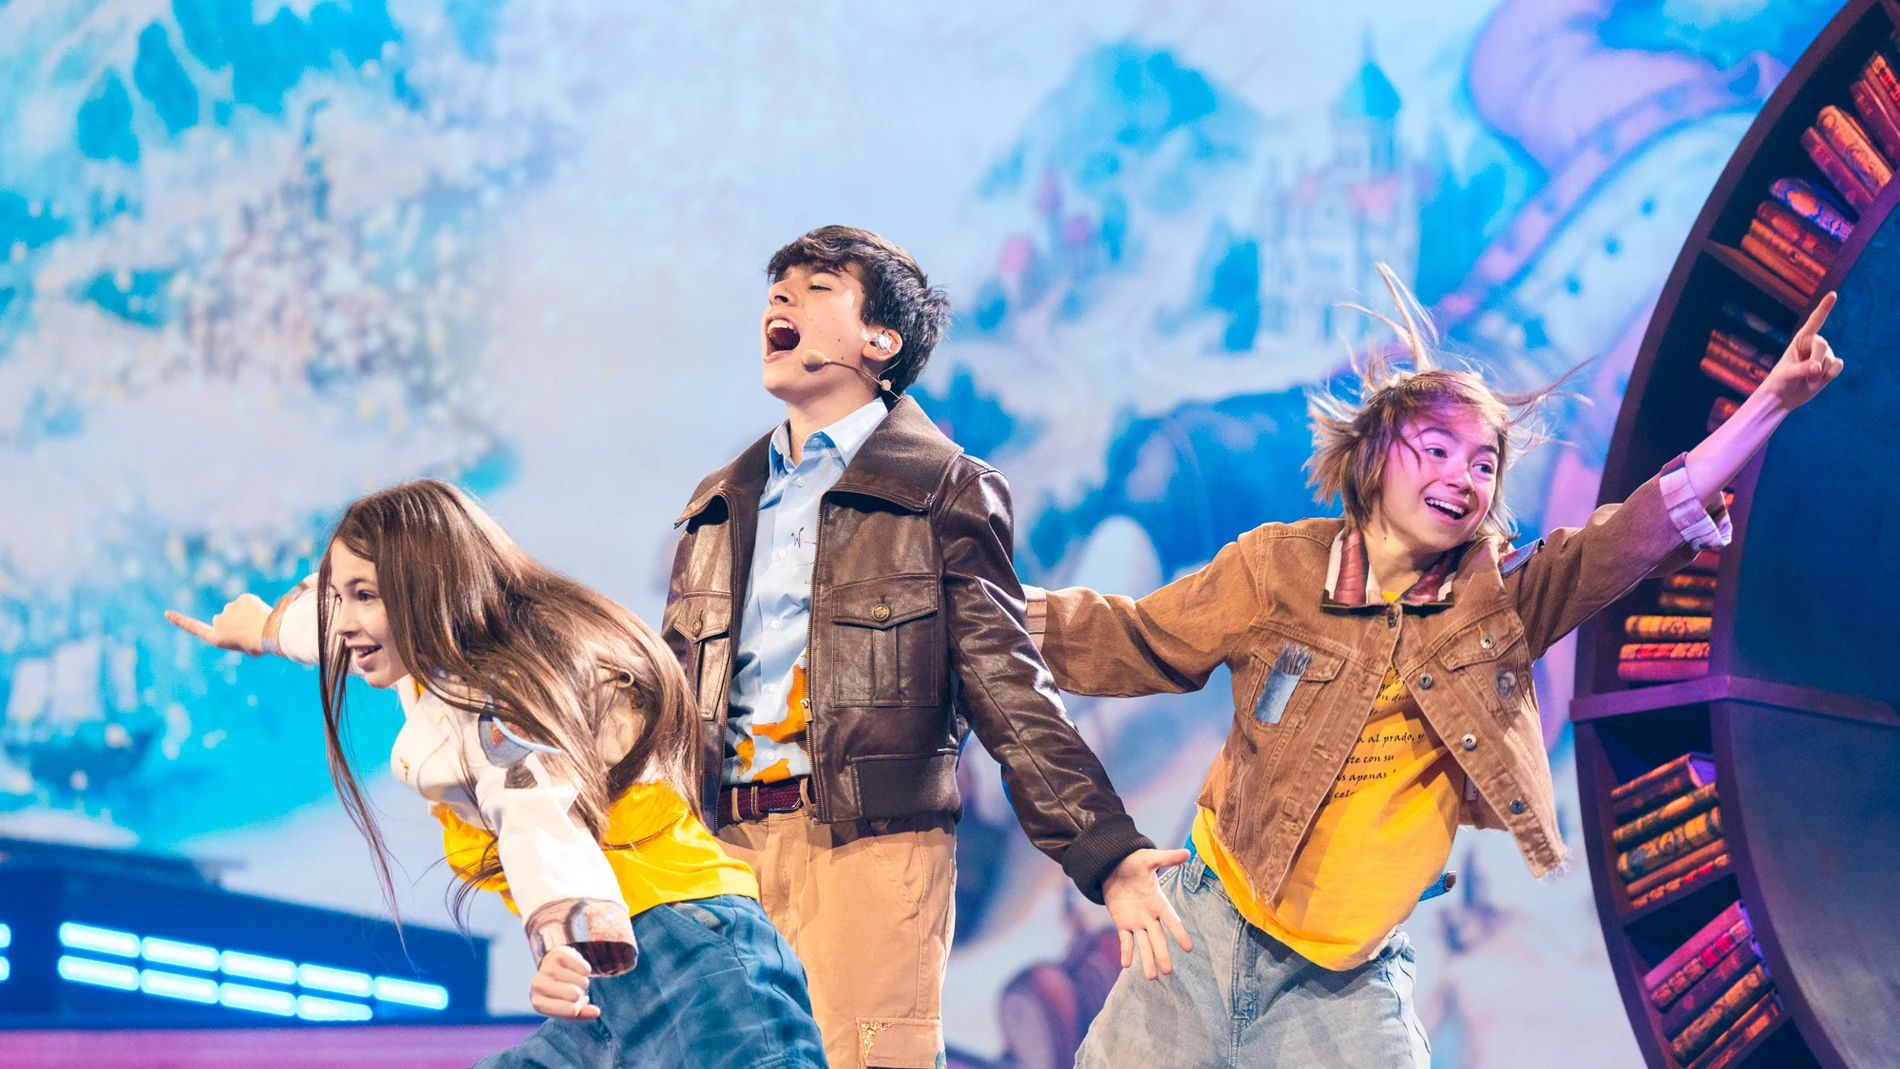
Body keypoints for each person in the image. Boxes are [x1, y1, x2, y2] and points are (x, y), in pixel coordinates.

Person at [1024, 267, 1842, 1067]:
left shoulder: (1501, 603)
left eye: (1484, 463)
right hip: (1202, 937)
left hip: (1346, 989)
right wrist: (986, 609)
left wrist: (1770, 401)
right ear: (1375, 457)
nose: (1465, 476)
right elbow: (1134, 638)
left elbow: (1629, 535)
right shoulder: (1276, 569)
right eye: (1440, 448)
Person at [666, 225, 1189, 1068]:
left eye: (816, 286)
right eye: (777, 287)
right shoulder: (719, 502)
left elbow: (1009, 686)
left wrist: (1109, 852)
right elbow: (670, 699)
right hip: (721, 852)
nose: (782, 298)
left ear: (882, 340)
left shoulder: (941, 488)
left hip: (870, 849)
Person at [168, 480, 827, 1069]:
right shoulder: (434, 644)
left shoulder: (498, 695)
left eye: (364, 595)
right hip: (618, 982)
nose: (344, 620)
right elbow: (332, 626)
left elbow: (538, 811)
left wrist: (571, 941)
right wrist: (262, 627)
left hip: (684, 959)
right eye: (339, 595)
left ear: (426, 588)